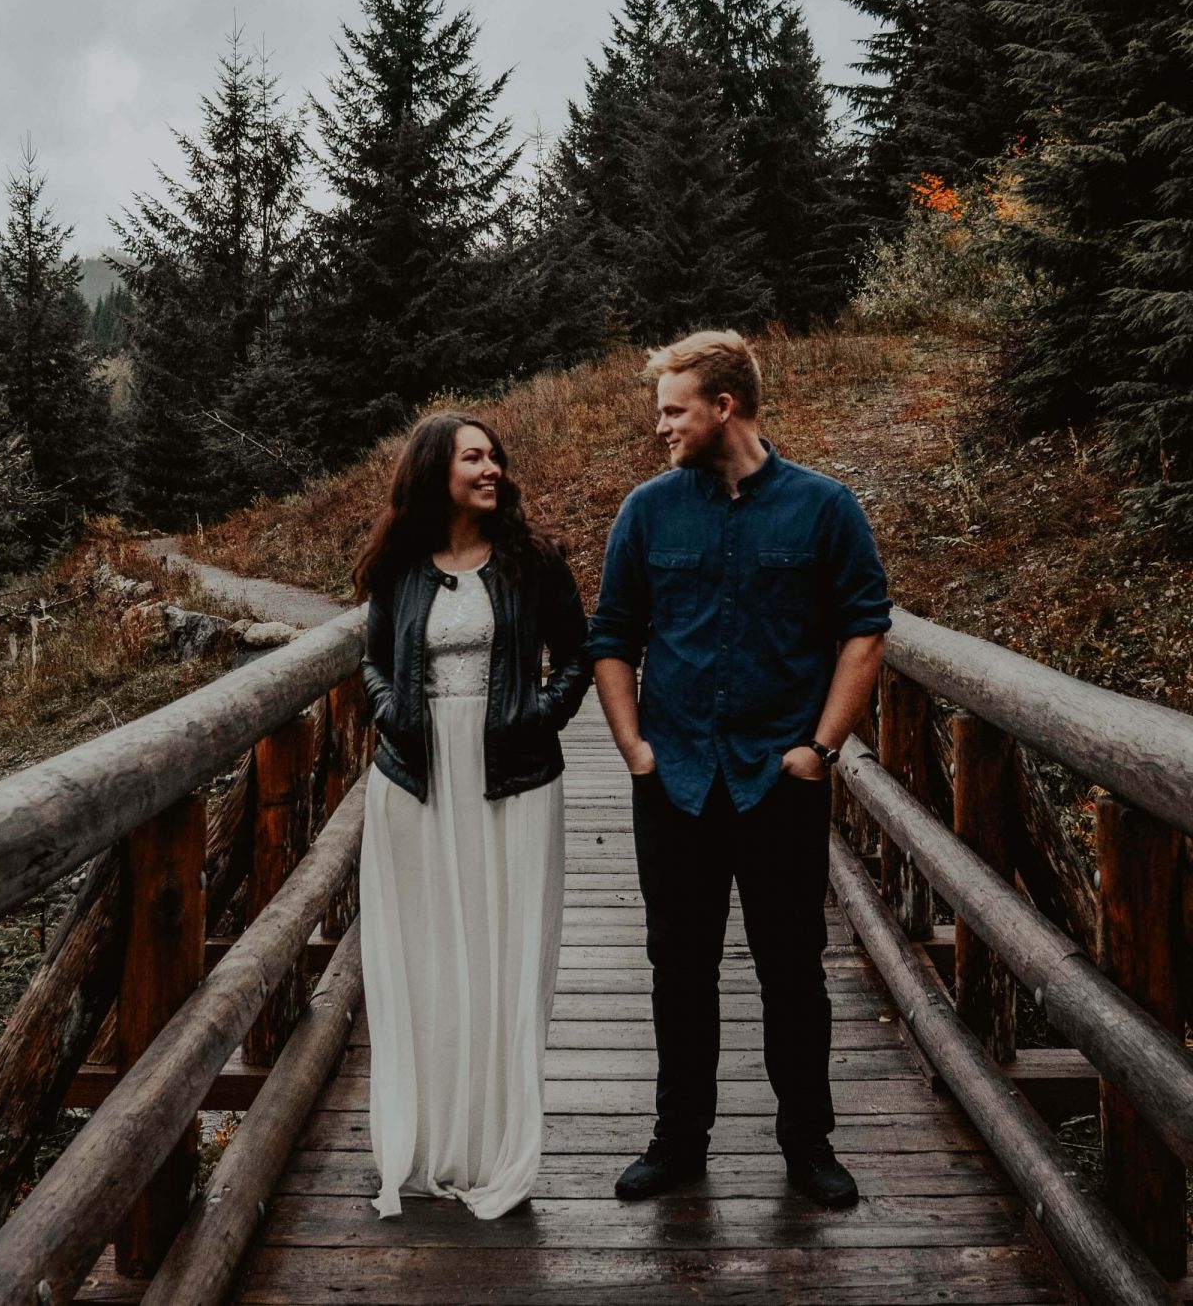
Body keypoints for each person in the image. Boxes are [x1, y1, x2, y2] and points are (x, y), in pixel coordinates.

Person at [587, 330, 890, 1207]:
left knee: (790, 968)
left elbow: (864, 628)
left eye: (673, 410)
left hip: (776, 780)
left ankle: (808, 1145)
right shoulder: (647, 512)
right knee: (678, 969)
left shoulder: (824, 507)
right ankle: (679, 1141)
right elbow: (611, 636)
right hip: (673, 779)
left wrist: (819, 749)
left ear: (725, 407)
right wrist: (634, 746)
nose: (661, 427)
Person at [355, 411, 590, 1219]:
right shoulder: (398, 565)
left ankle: (494, 1148)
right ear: (434, 471)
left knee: (504, 955)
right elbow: (373, 661)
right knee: (426, 959)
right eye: (473, 457)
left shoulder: (532, 561)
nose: (491, 468)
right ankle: (427, 1143)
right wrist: (392, 714)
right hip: (416, 779)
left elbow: (579, 653)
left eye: (494, 456)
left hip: (513, 776)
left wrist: (539, 718)